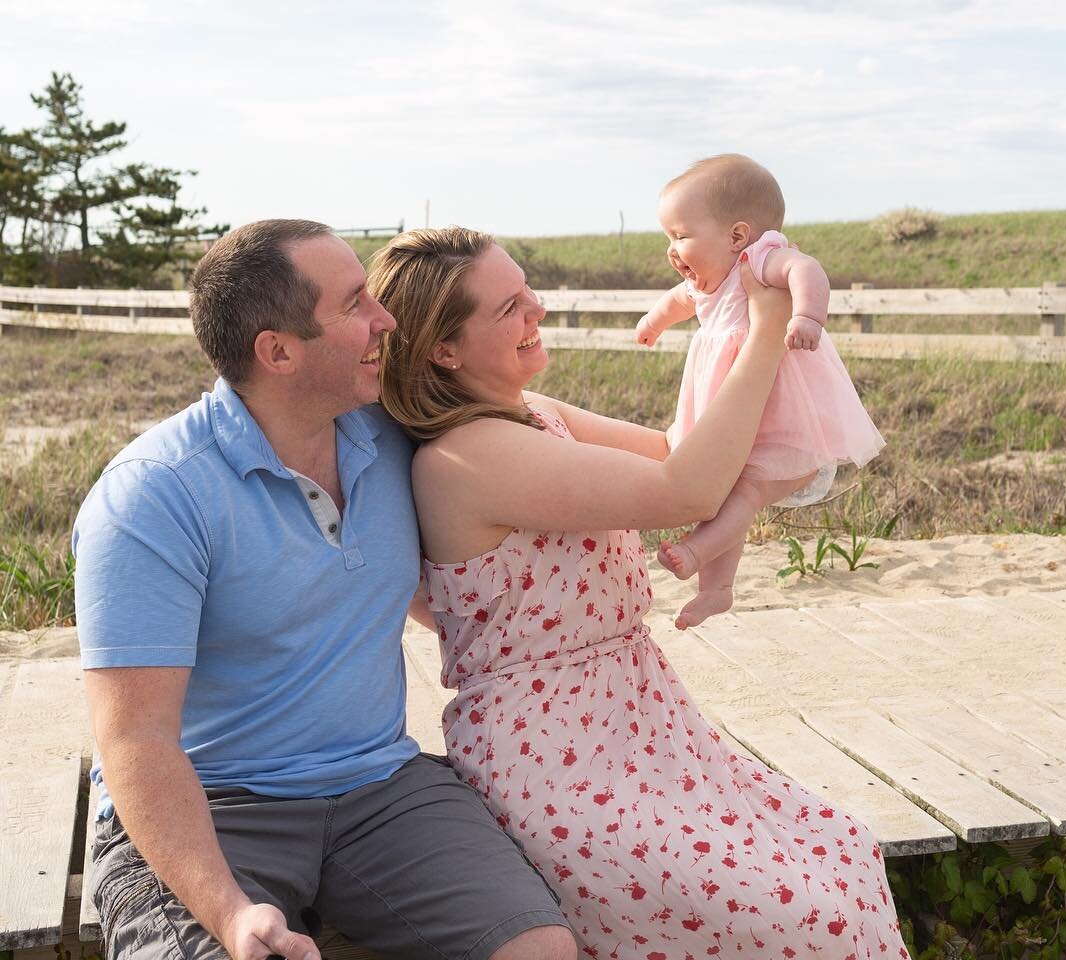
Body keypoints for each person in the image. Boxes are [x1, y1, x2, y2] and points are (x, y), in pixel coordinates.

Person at [371, 225, 910, 959]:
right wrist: (766, 328)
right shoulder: (468, 455)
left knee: (842, 849)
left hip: (640, 716)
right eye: (509, 309)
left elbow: (672, 447)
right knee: (809, 916)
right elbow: (682, 487)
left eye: (528, 292)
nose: (538, 311)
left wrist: (726, 324)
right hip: (556, 756)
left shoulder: (536, 414)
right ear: (443, 348)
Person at [72, 219, 577, 960]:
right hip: (211, 806)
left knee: (540, 949)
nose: (387, 321)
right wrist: (231, 913)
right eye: (354, 307)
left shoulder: (393, 433)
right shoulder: (152, 499)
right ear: (276, 351)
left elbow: (557, 446)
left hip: (380, 785)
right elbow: (137, 741)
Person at [634, 153, 885, 629]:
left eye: (681, 236)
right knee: (723, 489)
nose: (671, 249)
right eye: (668, 237)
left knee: (744, 492)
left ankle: (695, 550)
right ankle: (718, 590)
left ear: (736, 235)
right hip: (732, 413)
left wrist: (807, 316)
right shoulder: (708, 281)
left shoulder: (759, 259)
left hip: (778, 417)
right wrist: (654, 321)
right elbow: (678, 301)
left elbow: (805, 270)